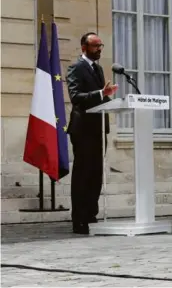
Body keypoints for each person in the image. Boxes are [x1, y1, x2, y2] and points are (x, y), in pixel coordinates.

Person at [66, 32, 118, 235]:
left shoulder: (98, 68)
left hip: (98, 128)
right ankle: (78, 219)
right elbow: (76, 97)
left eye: (100, 46)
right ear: (84, 47)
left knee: (96, 174)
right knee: (83, 175)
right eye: (95, 46)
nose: (99, 49)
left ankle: (91, 215)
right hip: (83, 129)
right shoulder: (76, 68)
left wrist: (108, 99)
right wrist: (100, 94)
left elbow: (100, 99)